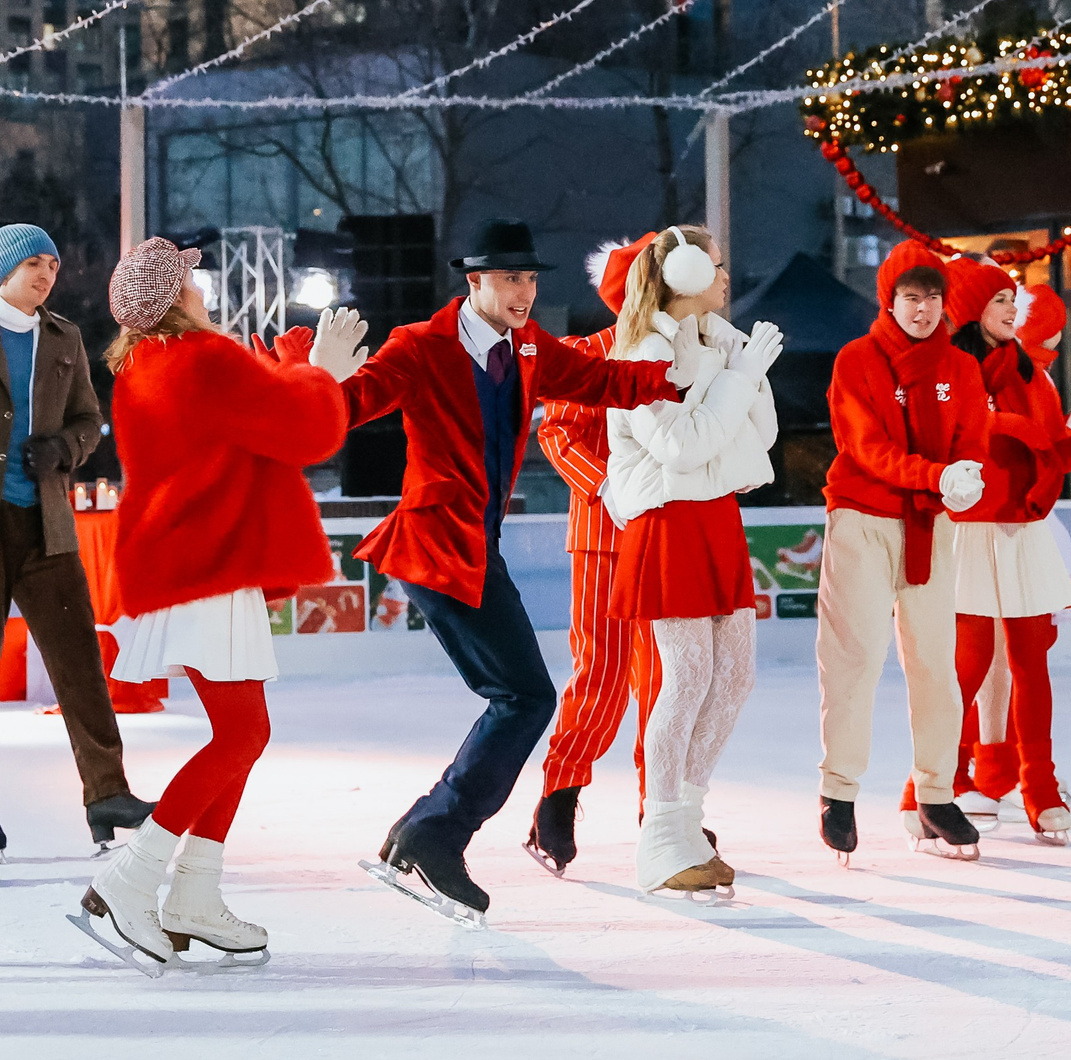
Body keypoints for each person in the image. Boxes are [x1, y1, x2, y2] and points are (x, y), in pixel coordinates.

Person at [296, 216, 675, 921]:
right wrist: (320, 376)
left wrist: (687, 379)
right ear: (474, 283)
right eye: (509, 278)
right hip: (435, 545)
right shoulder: (422, 346)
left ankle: (427, 828)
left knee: (520, 697)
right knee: (525, 697)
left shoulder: (528, 346)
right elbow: (344, 410)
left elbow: (601, 380)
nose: (524, 291)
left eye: (529, 278)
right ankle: (436, 832)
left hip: (475, 547)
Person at [76, 239, 359, 971]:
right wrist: (319, 372)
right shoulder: (202, 358)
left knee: (245, 730)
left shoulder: (148, 363)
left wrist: (285, 368)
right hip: (209, 564)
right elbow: (305, 431)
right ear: (177, 296)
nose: (203, 288)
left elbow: (239, 425)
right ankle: (133, 878)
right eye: (192, 279)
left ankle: (194, 893)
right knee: (239, 736)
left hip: (190, 560)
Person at [0, 223, 154, 858]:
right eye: (33, 264)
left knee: (80, 664)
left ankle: (106, 793)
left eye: (53, 264)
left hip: (46, 524)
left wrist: (65, 449)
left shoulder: (64, 338)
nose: (46, 275)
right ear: (0, 273)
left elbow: (89, 421)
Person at [599, 227, 781, 897]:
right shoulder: (642, 354)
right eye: (718, 264)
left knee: (735, 676)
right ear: (685, 271)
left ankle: (688, 823)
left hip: (714, 515)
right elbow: (686, 445)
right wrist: (738, 381)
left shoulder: (716, 341)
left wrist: (738, 375)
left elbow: (756, 437)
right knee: (688, 677)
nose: (727, 276)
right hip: (669, 520)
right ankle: (659, 835)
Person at [814, 239, 991, 863]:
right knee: (854, 658)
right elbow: (863, 445)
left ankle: (937, 792)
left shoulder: (962, 368)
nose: (922, 310)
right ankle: (839, 793)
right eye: (910, 298)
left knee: (936, 663)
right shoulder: (858, 360)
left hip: (930, 526)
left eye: (932, 297)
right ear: (889, 301)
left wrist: (966, 477)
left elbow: (974, 438)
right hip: (863, 518)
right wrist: (935, 475)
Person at [939, 266, 1071, 847]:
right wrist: (1013, 426)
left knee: (1030, 663)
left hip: (1022, 530)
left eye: (1013, 300)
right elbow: (947, 436)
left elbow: (1050, 455)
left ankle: (1037, 784)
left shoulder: (1032, 377)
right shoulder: (945, 370)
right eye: (999, 300)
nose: (1012, 309)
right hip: (968, 531)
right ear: (971, 310)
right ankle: (934, 783)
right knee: (966, 667)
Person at [524, 233, 661, 876]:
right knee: (602, 674)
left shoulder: (688, 359)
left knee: (668, 684)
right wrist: (609, 488)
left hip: (670, 541)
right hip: (606, 539)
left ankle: (665, 812)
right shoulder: (587, 354)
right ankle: (561, 791)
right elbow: (555, 431)